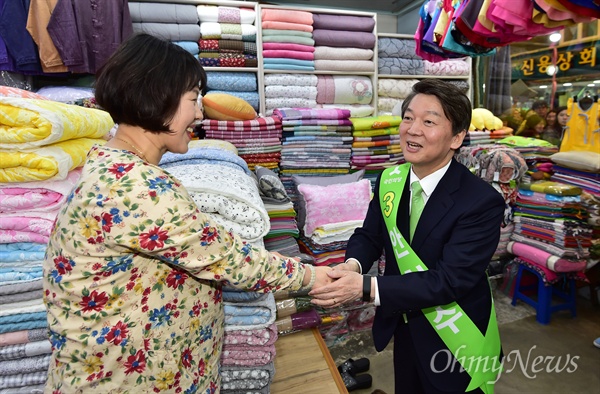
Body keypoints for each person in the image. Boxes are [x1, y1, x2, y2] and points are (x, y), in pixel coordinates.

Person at [42, 33, 332, 393]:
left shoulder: (117, 168)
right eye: (193, 99)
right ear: (155, 95)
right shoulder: (133, 186)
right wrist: (312, 278)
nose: (199, 113)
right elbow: (227, 258)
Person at [310, 79, 505, 394]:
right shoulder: (391, 178)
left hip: (454, 339)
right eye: (408, 118)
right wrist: (354, 265)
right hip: (404, 325)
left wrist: (364, 288)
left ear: (457, 137)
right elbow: (370, 235)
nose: (412, 129)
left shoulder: (480, 201)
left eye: (429, 121)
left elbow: (450, 281)